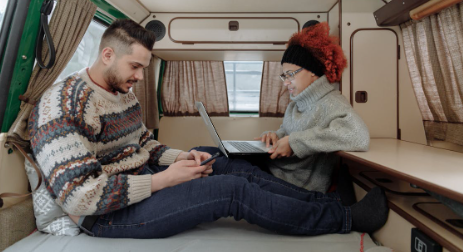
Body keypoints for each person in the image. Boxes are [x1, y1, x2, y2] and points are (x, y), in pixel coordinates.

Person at [29, 19, 388, 239]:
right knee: (232, 191)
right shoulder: (60, 106)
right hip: (107, 214)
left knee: (221, 162)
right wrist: (164, 180)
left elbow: (144, 146)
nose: (140, 77)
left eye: (144, 68)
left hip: (139, 179)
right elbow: (81, 197)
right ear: (107, 55)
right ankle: (343, 218)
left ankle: (321, 202)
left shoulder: (123, 93)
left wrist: (183, 158)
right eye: (135, 66)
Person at [254, 22, 370, 197]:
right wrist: (275, 136)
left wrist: (295, 142)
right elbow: (288, 131)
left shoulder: (332, 102)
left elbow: (358, 136)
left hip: (297, 183)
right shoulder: (295, 103)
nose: (286, 82)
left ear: (313, 72)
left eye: (290, 74)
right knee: (219, 158)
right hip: (278, 170)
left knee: (227, 168)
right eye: (284, 76)